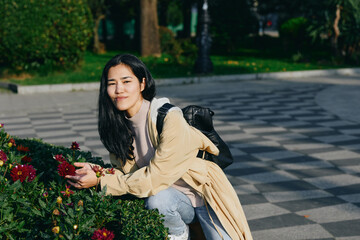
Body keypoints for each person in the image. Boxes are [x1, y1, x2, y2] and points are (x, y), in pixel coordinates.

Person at [66, 54, 252, 240]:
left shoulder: (169, 118)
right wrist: (98, 173)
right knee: (158, 200)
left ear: (142, 83)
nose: (119, 89)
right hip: (173, 200)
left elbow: (154, 178)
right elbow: (128, 176)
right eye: (111, 83)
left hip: (204, 197)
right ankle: (180, 235)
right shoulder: (118, 127)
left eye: (126, 81)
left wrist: (101, 182)